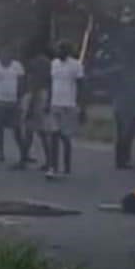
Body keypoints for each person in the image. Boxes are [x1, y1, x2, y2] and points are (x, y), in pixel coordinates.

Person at [47, 41, 85, 179]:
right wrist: (48, 101)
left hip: (69, 104)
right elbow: (51, 84)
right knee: (54, 135)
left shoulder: (76, 65)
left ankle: (66, 165)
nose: (60, 52)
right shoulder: (54, 64)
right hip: (55, 103)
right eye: (58, 49)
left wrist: (82, 106)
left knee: (65, 137)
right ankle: (53, 167)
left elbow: (81, 86)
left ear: (68, 51)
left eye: (63, 50)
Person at [0, 47, 25, 164]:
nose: (5, 54)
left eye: (8, 52)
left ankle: (23, 154)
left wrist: (20, 99)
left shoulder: (17, 66)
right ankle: (1, 152)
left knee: (17, 129)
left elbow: (21, 83)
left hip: (13, 102)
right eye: (3, 52)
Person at [17, 49, 51, 171]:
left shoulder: (34, 64)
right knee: (40, 132)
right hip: (42, 96)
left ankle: (23, 160)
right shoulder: (47, 63)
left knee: (31, 131)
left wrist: (30, 105)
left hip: (36, 96)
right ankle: (49, 161)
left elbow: (34, 83)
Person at [112, 60, 135, 170]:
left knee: (126, 134)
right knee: (126, 135)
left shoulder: (124, 76)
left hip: (125, 108)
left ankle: (122, 160)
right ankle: (123, 160)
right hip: (127, 109)